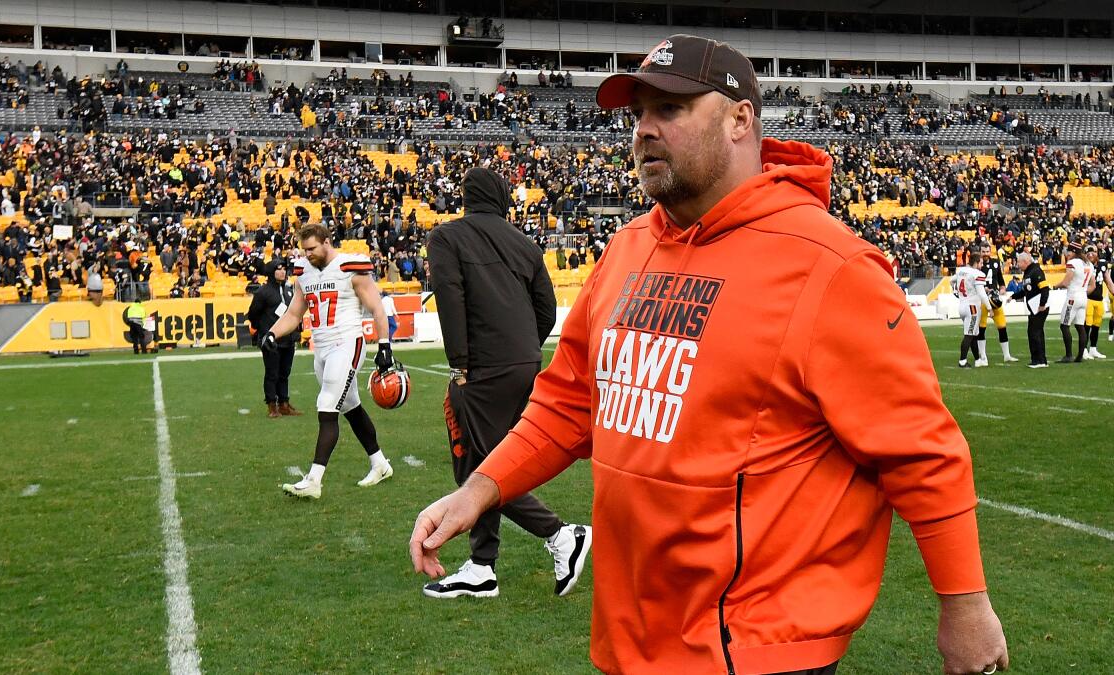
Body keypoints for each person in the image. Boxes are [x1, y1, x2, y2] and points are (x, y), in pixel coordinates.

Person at [410, 35, 1008, 675]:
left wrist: (966, 608)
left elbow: (921, 452)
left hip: (758, 647)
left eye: (669, 109)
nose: (643, 130)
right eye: (638, 112)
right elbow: (569, 400)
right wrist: (478, 490)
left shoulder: (831, 266)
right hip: (632, 632)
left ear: (740, 119)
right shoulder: (627, 249)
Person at [423, 167, 591, 600]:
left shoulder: (447, 237)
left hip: (482, 366)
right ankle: (482, 565)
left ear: (465, 196)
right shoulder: (524, 242)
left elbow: (450, 296)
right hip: (523, 361)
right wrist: (524, 349)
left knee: (480, 463)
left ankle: (559, 534)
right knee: (481, 455)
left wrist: (461, 362)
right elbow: (547, 309)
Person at [264, 224, 394, 499]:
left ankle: (314, 480)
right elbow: (294, 314)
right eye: (304, 249)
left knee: (326, 404)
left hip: (348, 342)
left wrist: (384, 345)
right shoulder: (303, 272)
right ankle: (380, 463)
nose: (307, 254)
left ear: (326, 242)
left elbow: (376, 307)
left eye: (312, 248)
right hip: (321, 347)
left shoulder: (351, 267)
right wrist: (273, 334)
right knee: (350, 406)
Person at [247, 258, 302, 418]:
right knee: (272, 373)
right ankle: (272, 405)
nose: (283, 271)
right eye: (279, 268)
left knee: (285, 373)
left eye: (284, 268)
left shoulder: (289, 290)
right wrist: (264, 331)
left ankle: (284, 403)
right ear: (272, 271)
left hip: (288, 339)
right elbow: (253, 314)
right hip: (271, 340)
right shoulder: (263, 292)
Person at [1053, 241, 1094, 363]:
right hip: (1083, 296)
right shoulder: (1089, 264)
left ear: (1073, 252)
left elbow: (1066, 282)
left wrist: (1055, 286)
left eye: (1069, 251)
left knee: (1064, 325)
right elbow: (1092, 285)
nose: (1067, 254)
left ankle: (1069, 355)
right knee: (1080, 326)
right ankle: (1080, 356)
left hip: (1073, 296)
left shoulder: (1072, 263)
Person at [952, 250, 992, 368]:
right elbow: (981, 293)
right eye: (980, 263)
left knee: (974, 333)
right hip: (972, 307)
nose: (982, 265)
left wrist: (955, 291)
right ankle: (962, 361)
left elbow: (951, 280)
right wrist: (989, 308)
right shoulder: (977, 274)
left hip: (962, 305)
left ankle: (978, 359)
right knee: (969, 335)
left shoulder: (961, 270)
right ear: (976, 262)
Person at [1011, 251, 1051, 368]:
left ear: (1026, 261)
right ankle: (1039, 359)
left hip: (1038, 307)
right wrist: (1014, 296)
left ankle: (1039, 360)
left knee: (1035, 333)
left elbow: (1044, 288)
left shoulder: (1036, 271)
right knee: (1035, 332)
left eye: (1019, 262)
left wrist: (1042, 304)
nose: (1018, 265)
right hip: (1034, 308)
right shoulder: (1028, 273)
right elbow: (1026, 290)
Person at [978, 246, 1017, 363]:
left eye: (987, 251)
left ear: (990, 251)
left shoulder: (995, 262)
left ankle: (1007, 355)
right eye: (983, 251)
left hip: (995, 300)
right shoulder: (977, 264)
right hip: (982, 300)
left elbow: (1000, 280)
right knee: (981, 328)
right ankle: (983, 356)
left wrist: (1002, 288)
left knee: (1002, 326)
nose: (985, 253)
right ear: (980, 252)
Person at [1083, 247, 1107, 359]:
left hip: (1099, 300)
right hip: (1088, 299)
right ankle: (1083, 349)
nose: (1090, 254)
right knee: (1086, 325)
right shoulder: (1084, 266)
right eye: (1088, 252)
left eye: (1093, 252)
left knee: (1096, 326)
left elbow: (1108, 281)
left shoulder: (1103, 265)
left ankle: (1093, 349)